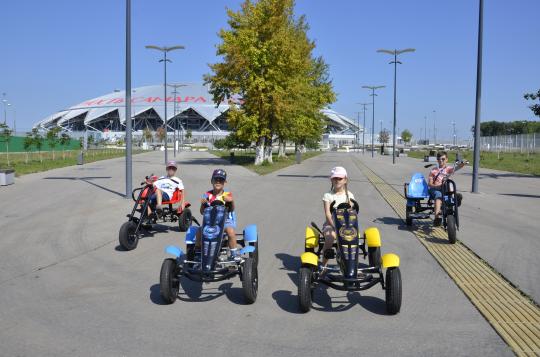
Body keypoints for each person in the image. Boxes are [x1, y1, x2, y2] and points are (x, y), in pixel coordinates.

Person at [195, 169, 239, 261]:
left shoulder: (227, 194)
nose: (218, 182)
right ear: (212, 181)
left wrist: (231, 201)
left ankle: (234, 253)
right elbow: (202, 212)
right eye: (216, 179)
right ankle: (198, 253)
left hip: (224, 220)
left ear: (224, 182)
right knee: (199, 231)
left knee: (230, 231)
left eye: (221, 180)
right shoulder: (207, 195)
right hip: (210, 221)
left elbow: (232, 209)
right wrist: (203, 204)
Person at [321, 166, 356, 267]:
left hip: (347, 226)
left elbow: (352, 213)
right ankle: (324, 265)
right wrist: (335, 227)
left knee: (354, 240)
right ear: (331, 180)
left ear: (345, 180)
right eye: (335, 178)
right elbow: (328, 213)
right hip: (330, 225)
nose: (337, 180)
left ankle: (352, 266)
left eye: (340, 178)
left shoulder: (349, 196)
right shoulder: (328, 196)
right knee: (330, 238)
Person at [428, 151, 465, 227]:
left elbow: (458, 167)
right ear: (437, 160)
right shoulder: (433, 170)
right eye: (439, 159)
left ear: (446, 159)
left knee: (450, 187)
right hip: (436, 189)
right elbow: (430, 183)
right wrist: (436, 186)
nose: (441, 160)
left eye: (443, 159)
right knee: (438, 197)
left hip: (446, 189)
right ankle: (437, 218)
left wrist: (463, 163)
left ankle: (456, 198)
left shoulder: (448, 169)